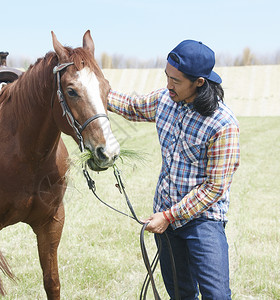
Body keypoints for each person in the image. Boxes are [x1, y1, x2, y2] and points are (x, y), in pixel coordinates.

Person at [107, 40, 240, 299]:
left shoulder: (223, 126)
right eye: (167, 76)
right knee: (180, 293)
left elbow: (214, 188)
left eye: (176, 80)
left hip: (203, 222)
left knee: (217, 295)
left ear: (199, 82)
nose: (169, 85)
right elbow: (133, 106)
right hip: (166, 218)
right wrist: (93, 90)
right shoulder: (165, 101)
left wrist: (168, 216)